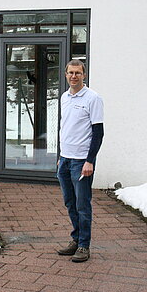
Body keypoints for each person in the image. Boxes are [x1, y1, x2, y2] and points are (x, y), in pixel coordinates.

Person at [56, 59, 104, 263]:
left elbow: (98, 133)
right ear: (66, 74)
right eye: (70, 72)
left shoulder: (93, 98)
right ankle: (75, 239)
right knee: (70, 203)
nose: (74, 76)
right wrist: (60, 156)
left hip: (81, 161)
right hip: (65, 160)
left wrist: (90, 161)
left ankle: (84, 245)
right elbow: (65, 128)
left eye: (78, 73)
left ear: (84, 75)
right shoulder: (64, 97)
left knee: (83, 205)